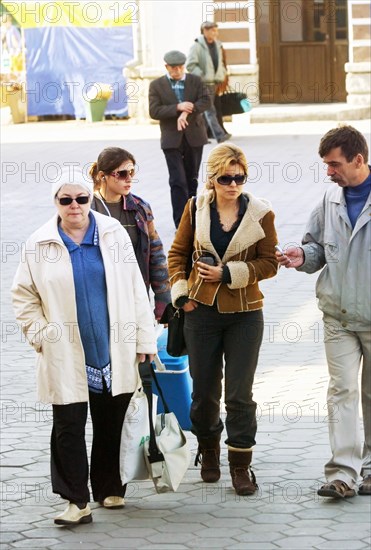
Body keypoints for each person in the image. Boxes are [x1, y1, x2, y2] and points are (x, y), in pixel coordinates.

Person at [11, 168, 157, 525]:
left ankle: (110, 487)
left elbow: (137, 290)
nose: (74, 206)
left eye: (81, 198)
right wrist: (40, 334)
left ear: (91, 198)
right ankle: (76, 501)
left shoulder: (113, 235)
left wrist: (144, 339)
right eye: (66, 200)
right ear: (55, 203)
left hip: (113, 349)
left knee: (111, 422)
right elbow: (23, 296)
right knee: (68, 428)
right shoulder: (39, 243)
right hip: (65, 353)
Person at [167, 143, 279, 495]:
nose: (233, 184)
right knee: (203, 392)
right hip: (200, 313)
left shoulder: (260, 213)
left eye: (240, 177)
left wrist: (228, 273)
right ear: (212, 179)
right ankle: (209, 450)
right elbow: (177, 255)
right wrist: (182, 296)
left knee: (240, 395)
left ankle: (241, 465)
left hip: (245, 314)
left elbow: (270, 263)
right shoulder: (194, 208)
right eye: (226, 178)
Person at [276, 125, 371, 499]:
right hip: (338, 316)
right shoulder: (328, 203)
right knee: (342, 391)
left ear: (358, 160)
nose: (329, 172)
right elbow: (314, 249)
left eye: (334, 165)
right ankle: (343, 475)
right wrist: (302, 257)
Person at [89, 147, 171, 321]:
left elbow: (156, 254)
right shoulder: (87, 209)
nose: (129, 179)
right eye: (122, 174)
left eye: (132, 172)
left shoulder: (140, 208)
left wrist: (164, 300)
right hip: (98, 296)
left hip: (135, 294)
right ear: (103, 176)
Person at [148, 50, 210, 228]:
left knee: (192, 179)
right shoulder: (156, 85)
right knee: (177, 181)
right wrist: (177, 107)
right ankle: (181, 224)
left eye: (181, 67)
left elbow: (206, 101)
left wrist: (185, 112)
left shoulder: (195, 81)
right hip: (171, 138)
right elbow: (154, 111)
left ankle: (193, 219)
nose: (178, 71)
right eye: (174, 68)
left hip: (194, 137)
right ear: (167, 67)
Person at [186, 21, 231, 144]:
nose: (215, 33)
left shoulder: (217, 45)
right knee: (210, 111)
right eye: (213, 30)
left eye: (216, 30)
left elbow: (220, 63)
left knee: (206, 111)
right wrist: (201, 76)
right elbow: (190, 65)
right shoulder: (196, 46)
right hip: (203, 83)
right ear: (205, 31)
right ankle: (220, 135)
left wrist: (222, 75)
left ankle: (201, 137)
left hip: (215, 82)